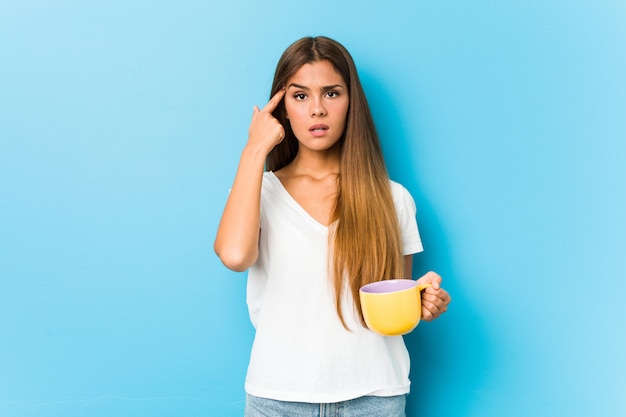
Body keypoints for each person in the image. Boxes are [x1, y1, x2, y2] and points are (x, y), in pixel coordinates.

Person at [214, 36, 451, 417]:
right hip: (278, 398)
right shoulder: (257, 192)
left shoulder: (393, 199)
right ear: (282, 108)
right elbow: (235, 255)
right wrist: (254, 149)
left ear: (351, 103)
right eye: (301, 96)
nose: (318, 110)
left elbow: (392, 317)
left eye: (332, 93)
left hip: (375, 397)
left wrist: (422, 303)